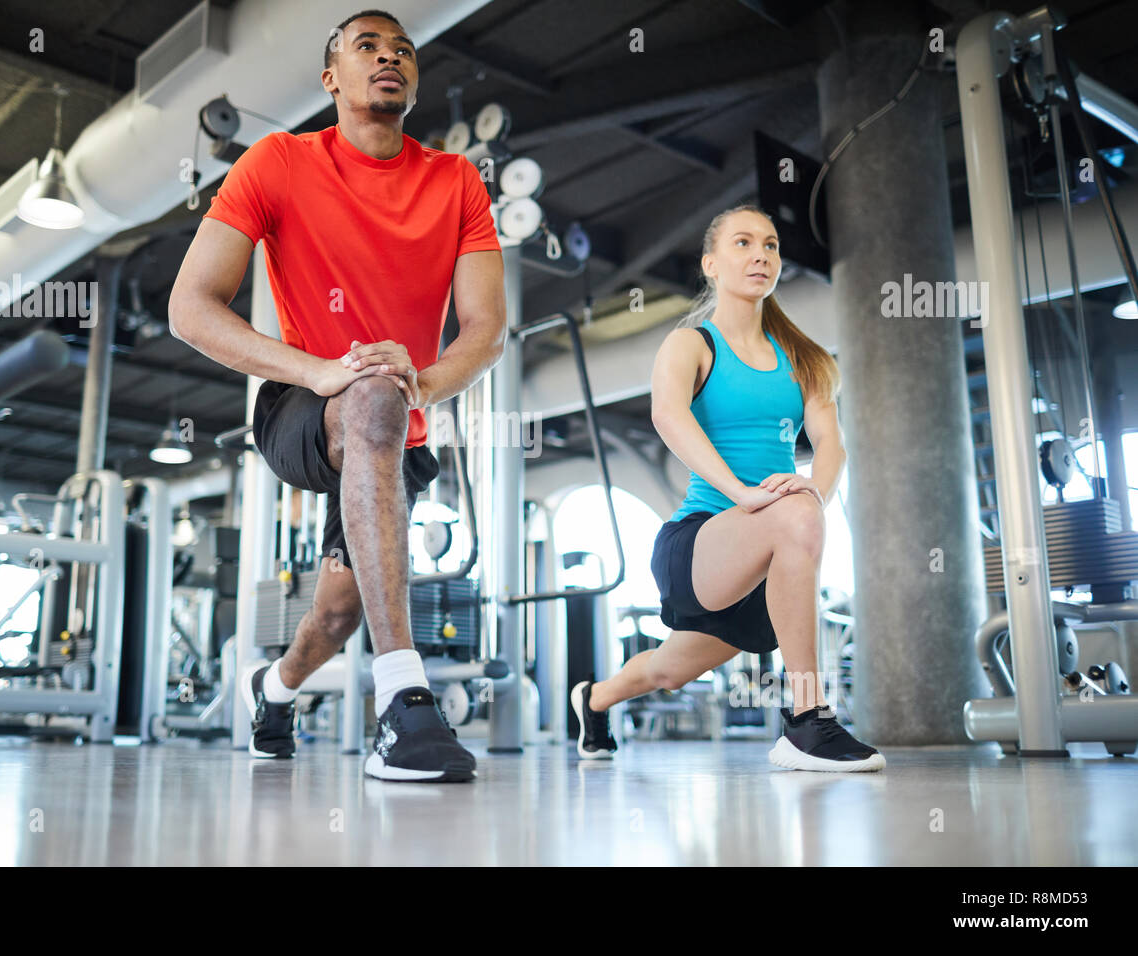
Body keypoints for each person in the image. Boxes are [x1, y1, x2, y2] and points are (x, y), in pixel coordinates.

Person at [169, 9, 506, 782]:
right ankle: (403, 706)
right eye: (368, 48)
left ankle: (273, 688)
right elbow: (190, 307)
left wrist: (425, 379)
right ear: (332, 78)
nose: (389, 58)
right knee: (371, 398)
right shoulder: (276, 161)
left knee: (337, 611)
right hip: (302, 405)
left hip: (400, 422)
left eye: (403, 51)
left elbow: (485, 330)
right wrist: (318, 369)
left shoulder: (455, 181)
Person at [570, 204, 884, 772]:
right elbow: (669, 417)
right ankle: (808, 720)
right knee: (793, 513)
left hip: (764, 566)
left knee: (668, 671)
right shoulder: (692, 344)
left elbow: (832, 444)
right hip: (699, 545)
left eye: (770, 245)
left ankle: (593, 700)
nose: (760, 254)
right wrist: (743, 494)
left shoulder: (806, 359)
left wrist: (815, 491)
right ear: (711, 264)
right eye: (743, 243)